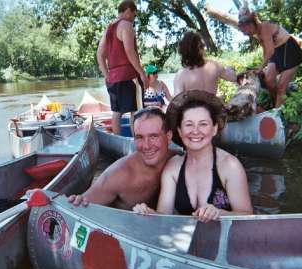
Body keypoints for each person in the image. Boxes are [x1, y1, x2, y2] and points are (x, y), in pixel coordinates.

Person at [133, 90, 253, 222]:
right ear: (179, 130)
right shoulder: (173, 167)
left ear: (214, 129)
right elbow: (164, 217)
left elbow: (247, 216)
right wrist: (148, 213)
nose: (195, 131)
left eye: (203, 124)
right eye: (189, 124)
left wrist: (219, 213)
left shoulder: (230, 166)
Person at [68, 107, 175, 210]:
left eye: (153, 136)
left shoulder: (179, 162)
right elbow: (80, 205)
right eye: (139, 137)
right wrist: (75, 202)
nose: (146, 145)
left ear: (169, 136)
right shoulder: (120, 174)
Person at [96, 0, 149, 135]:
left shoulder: (108, 29)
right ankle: (136, 141)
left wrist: (107, 75)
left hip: (113, 78)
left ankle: (118, 140)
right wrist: (142, 73)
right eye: (134, 15)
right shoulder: (126, 25)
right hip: (129, 76)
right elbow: (129, 51)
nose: (133, 19)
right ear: (128, 11)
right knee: (135, 111)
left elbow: (99, 55)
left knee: (116, 112)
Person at [237, 8, 302, 107]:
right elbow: (266, 51)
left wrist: (261, 67)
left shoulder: (264, 26)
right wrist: (261, 66)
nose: (245, 34)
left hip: (289, 49)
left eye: (244, 31)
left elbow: (270, 51)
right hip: (276, 53)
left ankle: (278, 113)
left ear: (250, 25)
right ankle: (279, 103)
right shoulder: (257, 34)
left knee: (281, 86)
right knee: (269, 81)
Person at [173, 31, 237, 96]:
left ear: (183, 52)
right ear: (202, 48)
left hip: (194, 106)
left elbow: (177, 102)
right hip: (212, 106)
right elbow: (233, 78)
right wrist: (230, 69)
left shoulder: (180, 76)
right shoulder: (214, 66)